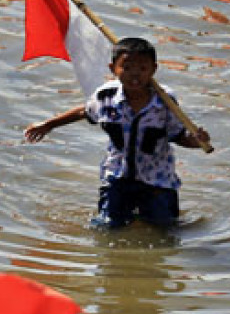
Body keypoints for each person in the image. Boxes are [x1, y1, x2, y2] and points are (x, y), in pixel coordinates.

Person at [24, 37, 211, 228]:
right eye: (127, 68)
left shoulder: (165, 101)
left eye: (142, 69)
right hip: (117, 176)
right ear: (113, 68)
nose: (135, 75)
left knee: (163, 229)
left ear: (153, 69)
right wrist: (49, 124)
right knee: (108, 227)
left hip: (157, 181)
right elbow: (84, 111)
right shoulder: (106, 96)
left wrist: (197, 141)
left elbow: (178, 136)